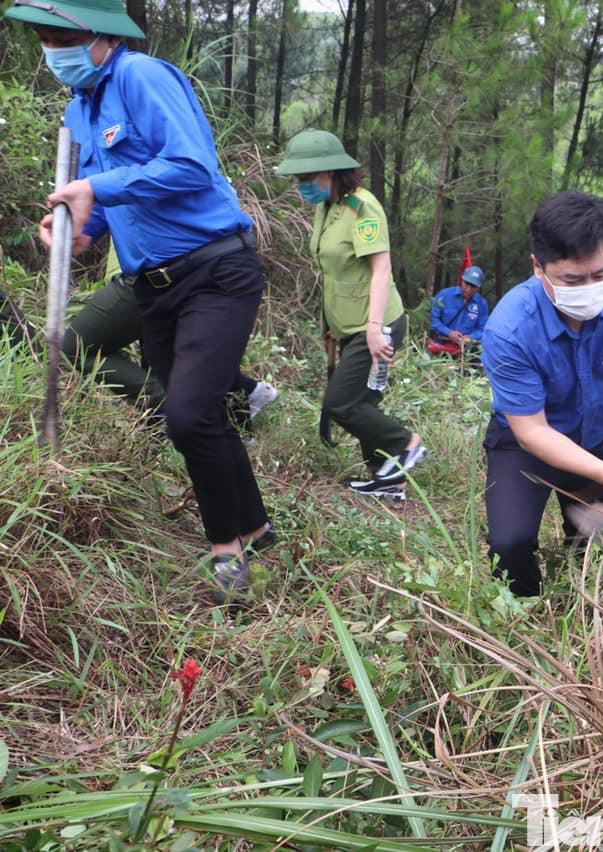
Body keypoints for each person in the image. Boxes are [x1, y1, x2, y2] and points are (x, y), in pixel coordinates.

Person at [9, 0, 273, 604]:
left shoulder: (141, 77)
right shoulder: (79, 109)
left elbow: (190, 166)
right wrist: (82, 227)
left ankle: (227, 555)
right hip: (153, 286)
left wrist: (93, 185)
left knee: (187, 414)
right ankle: (257, 530)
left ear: (102, 35)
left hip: (214, 269)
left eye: (62, 38)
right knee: (198, 416)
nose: (52, 51)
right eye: (45, 38)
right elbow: (106, 202)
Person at [481, 191, 603, 597]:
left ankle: (582, 600)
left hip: (596, 431)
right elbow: (532, 431)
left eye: (600, 274)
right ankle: (524, 611)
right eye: (572, 280)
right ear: (538, 267)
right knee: (510, 545)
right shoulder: (509, 329)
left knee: (593, 537)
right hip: (525, 444)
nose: (590, 289)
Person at [276, 129, 424, 500]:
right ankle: (388, 479)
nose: (302, 185)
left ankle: (405, 444)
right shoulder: (326, 208)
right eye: (299, 178)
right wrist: (330, 327)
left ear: (331, 172)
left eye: (308, 177)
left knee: (340, 403)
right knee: (363, 401)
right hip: (347, 325)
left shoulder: (363, 207)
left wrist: (374, 330)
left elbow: (381, 270)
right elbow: (334, 273)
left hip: (377, 323)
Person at [63, 241, 278, 429]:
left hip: (155, 273)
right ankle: (242, 404)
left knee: (77, 348)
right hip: (173, 270)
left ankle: (183, 412)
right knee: (165, 358)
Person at [428, 264, 488, 357]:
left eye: (473, 286)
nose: (468, 289)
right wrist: (449, 332)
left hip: (466, 352)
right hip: (440, 346)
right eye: (466, 283)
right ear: (462, 280)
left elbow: (483, 329)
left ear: (478, 287)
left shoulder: (481, 304)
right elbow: (434, 320)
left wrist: (470, 337)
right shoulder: (444, 295)